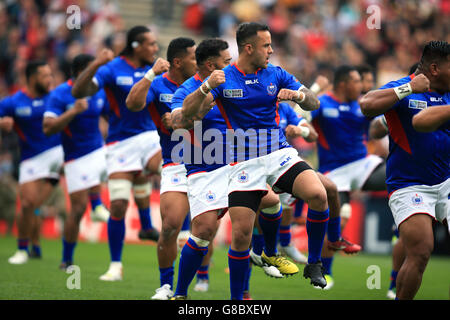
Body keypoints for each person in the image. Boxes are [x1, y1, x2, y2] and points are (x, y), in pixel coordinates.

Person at [179, 22, 330, 299]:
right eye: (266, 45)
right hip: (243, 161)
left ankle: (314, 263)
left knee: (318, 194)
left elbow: (313, 102)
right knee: (240, 237)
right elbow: (190, 117)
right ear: (249, 48)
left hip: (278, 153)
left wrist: (297, 95)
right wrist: (204, 90)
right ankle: (239, 299)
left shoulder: (276, 73)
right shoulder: (223, 77)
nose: (271, 50)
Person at [71, 25, 167, 281]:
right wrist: (96, 64)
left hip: (149, 136)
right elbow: (78, 92)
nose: (156, 49)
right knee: (118, 205)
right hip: (119, 143)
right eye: (151, 44)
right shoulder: (112, 68)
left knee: (169, 168)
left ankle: (180, 231)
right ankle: (116, 265)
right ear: (136, 45)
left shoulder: (159, 70)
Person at [360, 40, 450, 300]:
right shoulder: (405, 87)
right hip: (409, 183)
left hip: (446, 181)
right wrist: (409, 88)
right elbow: (367, 105)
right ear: (434, 68)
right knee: (421, 250)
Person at [126, 37, 197, 299]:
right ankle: (167, 286)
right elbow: (133, 104)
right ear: (177, 61)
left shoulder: (204, 83)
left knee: (210, 231)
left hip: (213, 164)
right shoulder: (159, 85)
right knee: (170, 228)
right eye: (192, 57)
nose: (197, 61)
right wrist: (150, 73)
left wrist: (184, 120)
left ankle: (241, 288)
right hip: (177, 165)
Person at [42, 54, 110, 270]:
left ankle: (98, 203)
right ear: (82, 71)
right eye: (93, 71)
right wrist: (73, 111)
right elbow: (48, 127)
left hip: (98, 149)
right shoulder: (60, 94)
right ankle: (67, 257)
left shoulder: (98, 90)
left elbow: (110, 114)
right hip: (75, 157)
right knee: (78, 209)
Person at [0, 61, 64, 265]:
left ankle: (26, 247)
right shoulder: (14, 102)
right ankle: (30, 247)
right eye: (45, 75)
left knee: (32, 204)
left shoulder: (55, 97)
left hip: (56, 157)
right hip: (30, 159)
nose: (50, 79)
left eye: (50, 75)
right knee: (30, 206)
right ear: (32, 78)